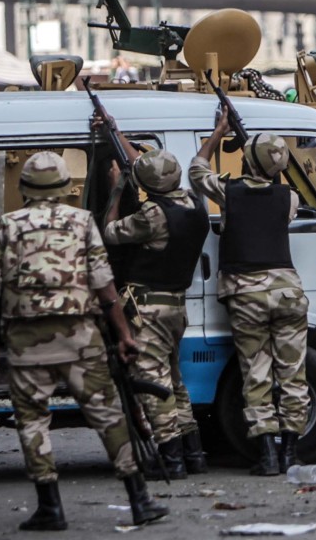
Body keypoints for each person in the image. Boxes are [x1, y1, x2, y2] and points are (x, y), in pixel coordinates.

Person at [0, 151, 168, 532]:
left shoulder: (7, 225)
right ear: (66, 187)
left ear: (24, 187)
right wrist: (125, 334)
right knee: (109, 416)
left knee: (32, 421)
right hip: (81, 335)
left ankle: (50, 507)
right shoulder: (81, 221)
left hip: (25, 338)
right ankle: (140, 501)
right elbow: (103, 284)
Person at [188, 106, 309, 476]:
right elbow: (272, 195)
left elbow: (196, 172)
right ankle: (290, 453)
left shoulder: (229, 192)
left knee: (256, 374)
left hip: (246, 295)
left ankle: (266, 456)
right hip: (288, 293)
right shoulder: (289, 197)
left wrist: (218, 133)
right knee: (293, 374)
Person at [100, 127, 210, 481]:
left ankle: (171, 460)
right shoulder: (195, 205)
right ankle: (193, 454)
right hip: (176, 308)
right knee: (176, 384)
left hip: (147, 310)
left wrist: (117, 188)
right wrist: (117, 134)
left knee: (153, 384)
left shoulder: (151, 216)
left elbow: (110, 231)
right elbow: (153, 174)